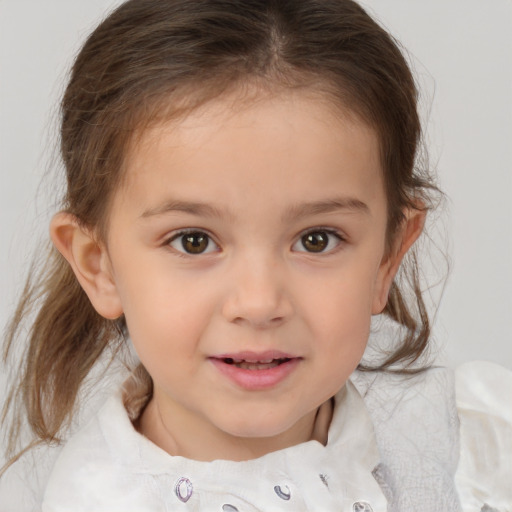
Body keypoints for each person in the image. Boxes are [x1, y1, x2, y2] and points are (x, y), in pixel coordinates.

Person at [1, 0, 510, 510]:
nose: (260, 303)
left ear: (387, 257)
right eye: (193, 241)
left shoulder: (471, 454)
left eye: (317, 239)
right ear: (99, 266)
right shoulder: (72, 498)